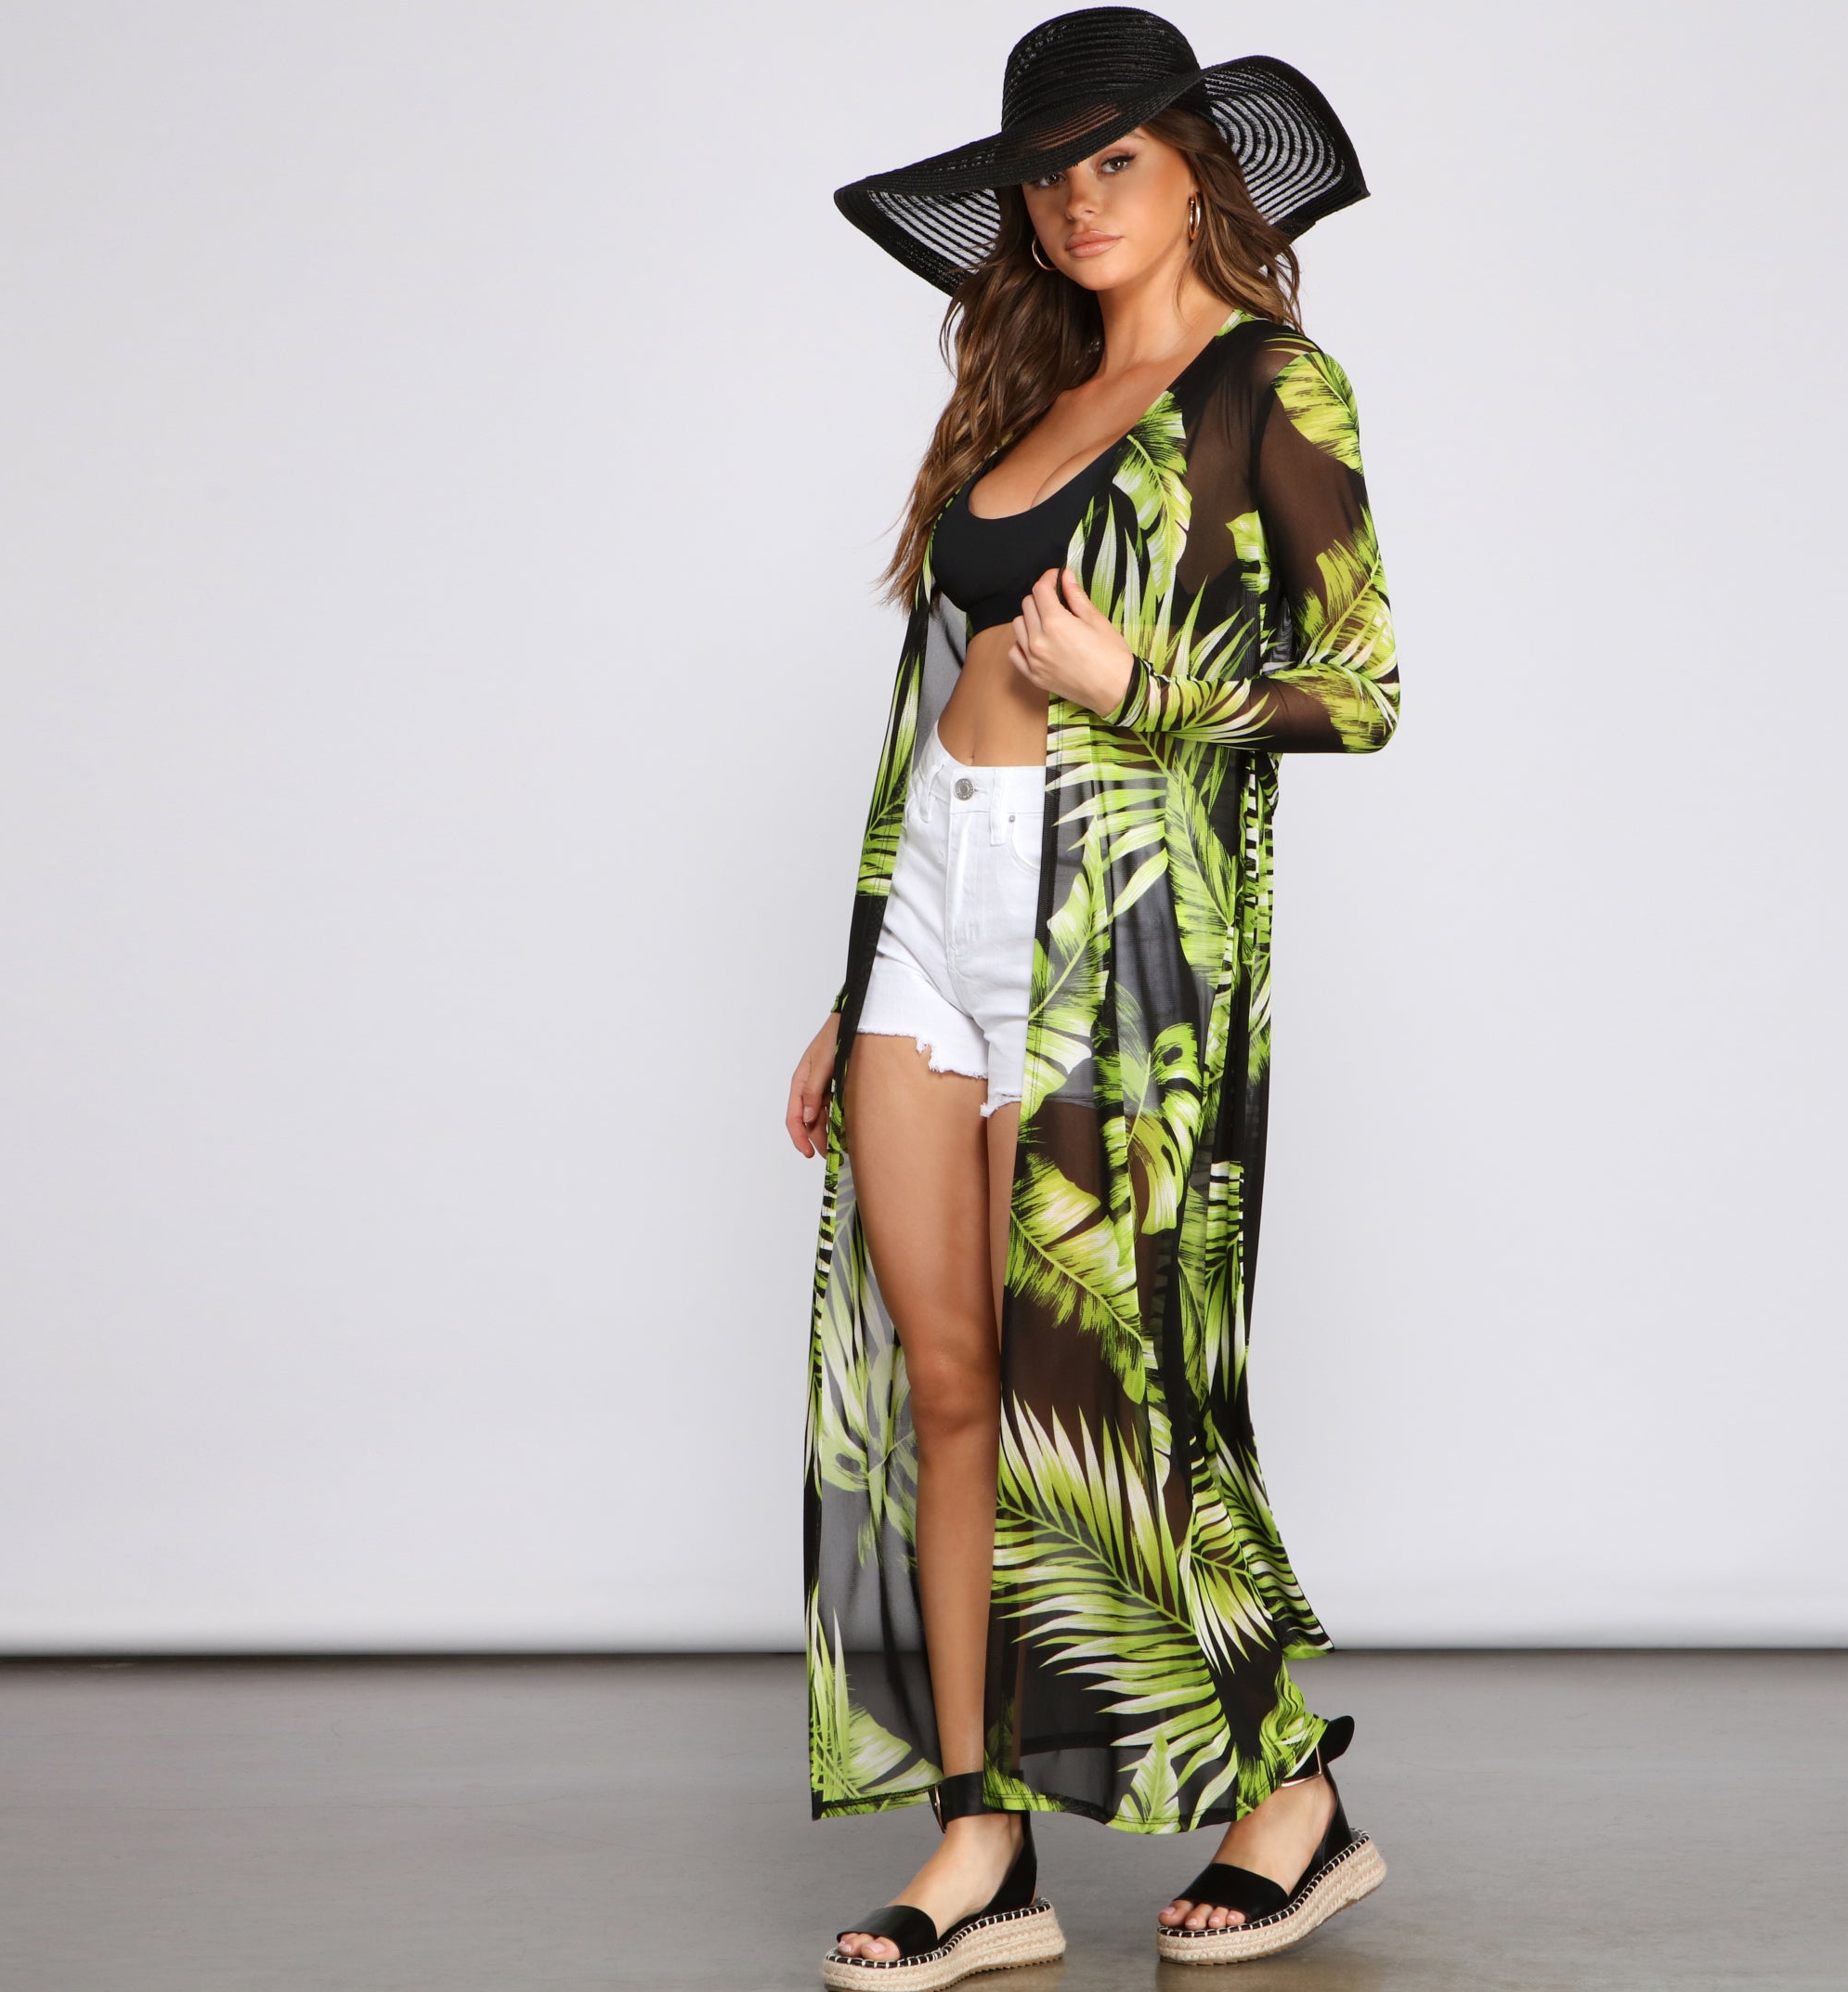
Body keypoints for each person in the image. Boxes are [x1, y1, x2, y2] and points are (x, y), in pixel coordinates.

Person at [787, 9, 1400, 1984]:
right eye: (1045, 174)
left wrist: (1145, 686)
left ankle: (1291, 1788)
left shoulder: (1268, 385)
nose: (1073, 201)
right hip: (935, 912)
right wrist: (852, 976)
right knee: (944, 1384)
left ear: (1198, 165)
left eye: (1111, 160)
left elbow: (1362, 688)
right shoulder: (1026, 399)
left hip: (1115, 938)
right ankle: (982, 1845)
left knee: (1120, 1384)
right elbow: (923, 709)